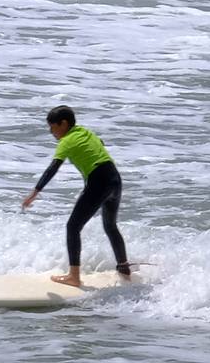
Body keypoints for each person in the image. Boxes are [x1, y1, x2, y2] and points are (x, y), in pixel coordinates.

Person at [21, 105, 131, 287]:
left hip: (99, 182)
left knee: (73, 227)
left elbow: (53, 167)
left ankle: (74, 277)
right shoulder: (85, 132)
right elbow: (100, 144)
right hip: (115, 180)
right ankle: (124, 269)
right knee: (110, 225)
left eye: (52, 127)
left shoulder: (67, 141)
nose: (51, 132)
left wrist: (35, 192)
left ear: (63, 124)